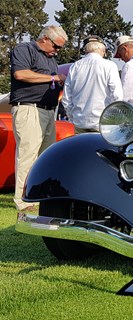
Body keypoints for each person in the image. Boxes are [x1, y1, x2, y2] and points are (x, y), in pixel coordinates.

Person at [9, 25, 68, 212]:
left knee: (45, 158)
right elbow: (20, 74)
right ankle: (23, 201)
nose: (57, 51)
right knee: (28, 156)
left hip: (49, 111)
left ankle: (40, 198)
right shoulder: (24, 49)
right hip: (29, 109)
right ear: (45, 39)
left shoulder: (51, 59)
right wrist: (52, 78)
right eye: (56, 47)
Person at [62, 35, 123, 134]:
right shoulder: (109, 66)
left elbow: (67, 97)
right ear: (102, 50)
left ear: (86, 50)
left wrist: (72, 116)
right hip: (102, 123)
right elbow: (117, 96)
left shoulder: (75, 66)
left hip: (79, 121)